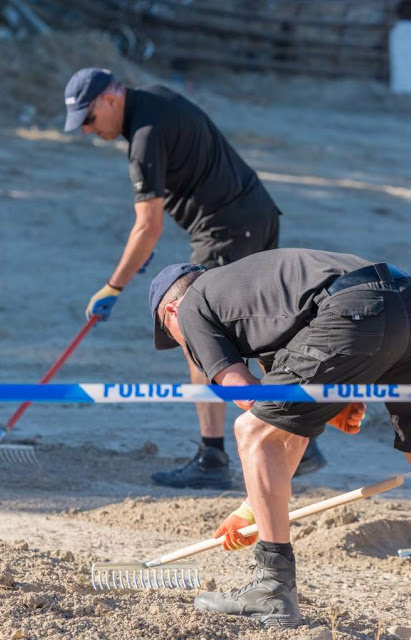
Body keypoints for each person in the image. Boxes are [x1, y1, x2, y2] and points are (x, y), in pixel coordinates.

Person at [63, 66, 326, 488]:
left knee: (198, 333)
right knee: (256, 328)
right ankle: (294, 434)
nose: (89, 131)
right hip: (255, 212)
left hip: (226, 227)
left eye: (90, 119)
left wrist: (114, 285)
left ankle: (215, 456)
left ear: (109, 98)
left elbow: (147, 227)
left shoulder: (144, 135)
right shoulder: (158, 97)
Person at [149, 250, 411, 628]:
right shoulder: (261, 298)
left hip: (352, 308)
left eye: (170, 334)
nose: (182, 345)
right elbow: (287, 427)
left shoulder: (192, 307)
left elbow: (250, 401)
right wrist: (249, 511)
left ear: (170, 312)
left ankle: (272, 588)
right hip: (401, 294)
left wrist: (329, 400)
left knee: (250, 429)